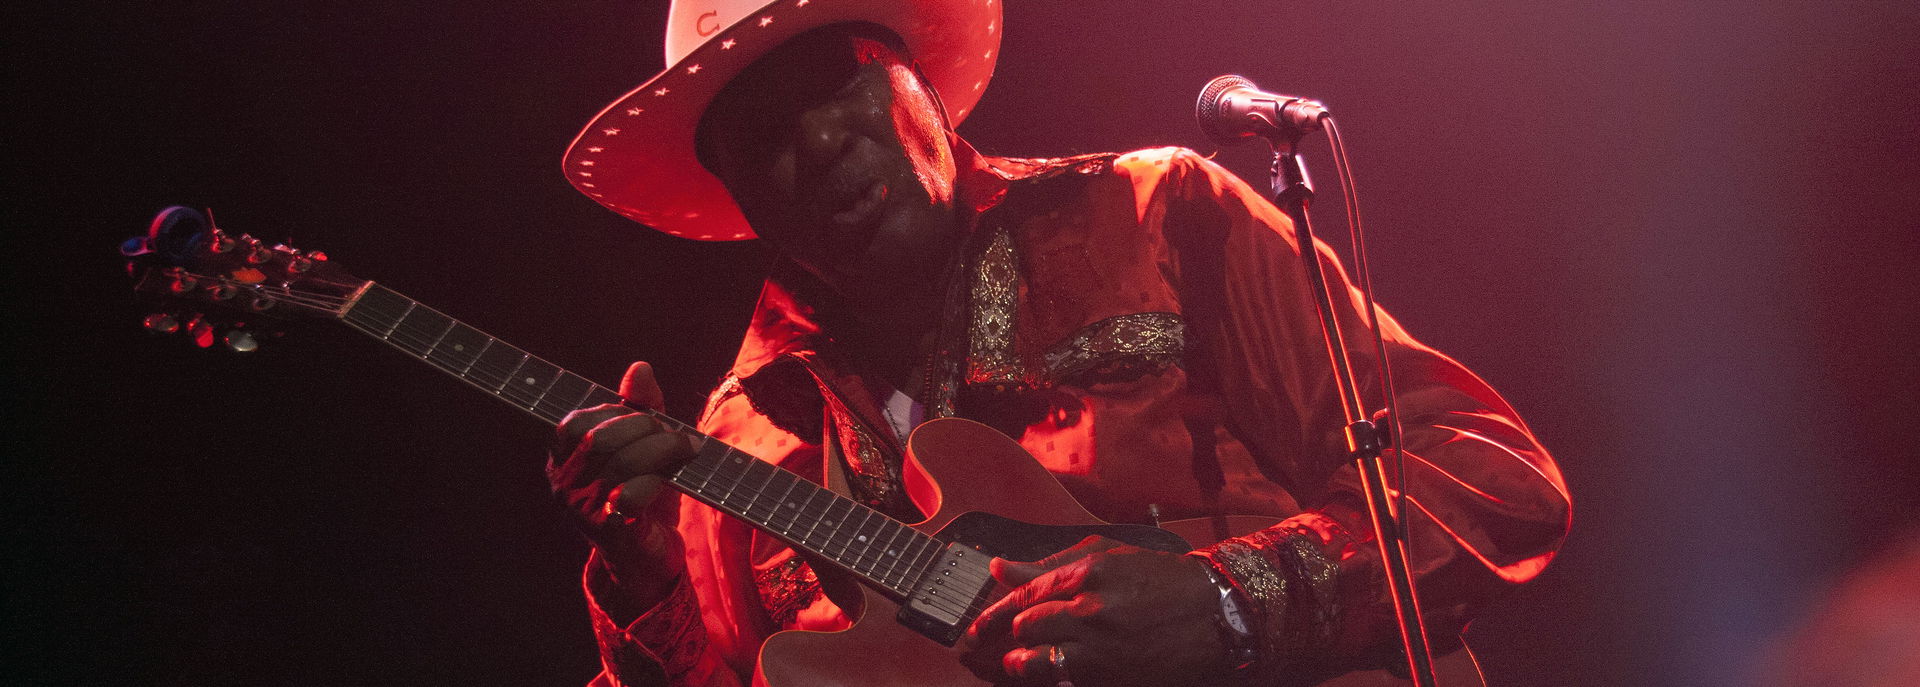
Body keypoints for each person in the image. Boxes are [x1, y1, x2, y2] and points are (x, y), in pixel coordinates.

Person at [544, 1, 1570, 685]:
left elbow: (1489, 478)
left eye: (836, 84)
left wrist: (1226, 600)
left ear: (924, 90)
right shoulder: (737, 435)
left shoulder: (1155, 212)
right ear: (738, 197)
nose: (817, 145)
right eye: (762, 139)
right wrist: (644, 581)